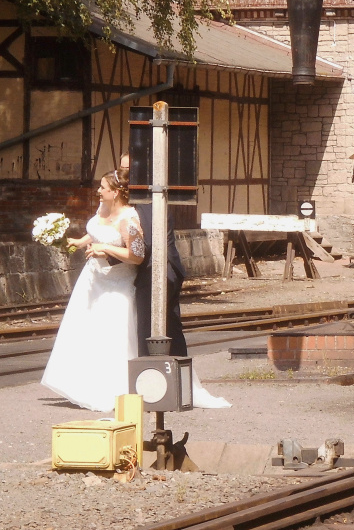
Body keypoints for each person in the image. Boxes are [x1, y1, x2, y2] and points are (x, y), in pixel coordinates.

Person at [120, 153, 229, 410]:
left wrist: (110, 256)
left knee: (157, 333)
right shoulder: (130, 201)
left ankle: (157, 391)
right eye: (121, 169)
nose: (123, 176)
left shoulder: (149, 202)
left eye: (128, 170)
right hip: (141, 273)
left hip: (156, 272)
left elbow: (143, 246)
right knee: (152, 330)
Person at [41, 172, 146, 412]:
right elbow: (98, 230)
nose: (98, 191)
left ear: (115, 192)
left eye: (103, 188)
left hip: (117, 283)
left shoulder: (129, 219)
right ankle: (81, 385)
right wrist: (80, 241)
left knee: (111, 334)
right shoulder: (103, 208)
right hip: (92, 279)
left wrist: (105, 249)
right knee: (84, 329)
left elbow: (137, 257)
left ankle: (113, 391)